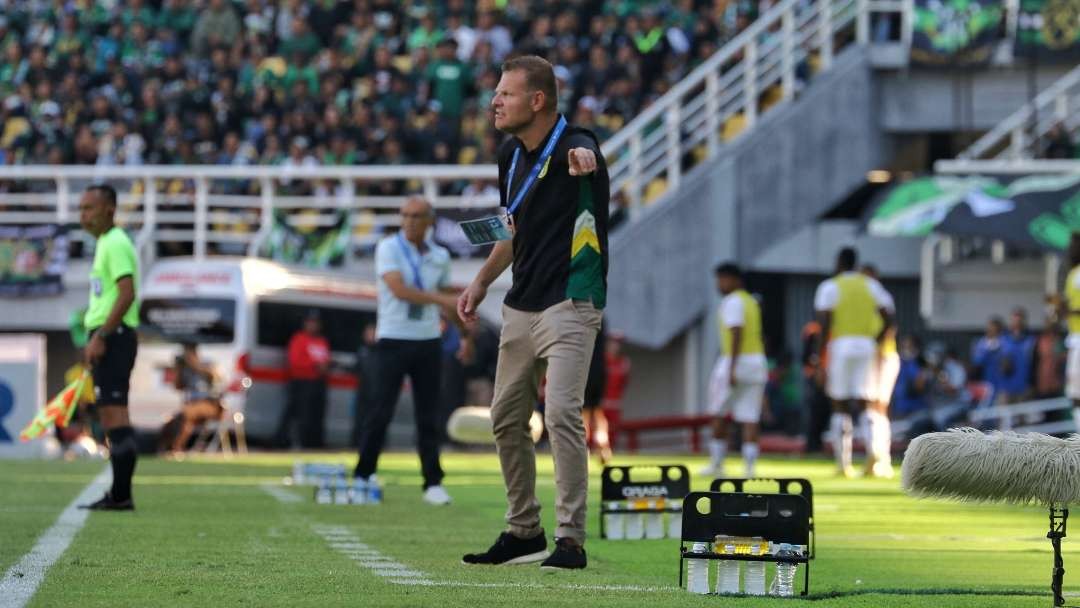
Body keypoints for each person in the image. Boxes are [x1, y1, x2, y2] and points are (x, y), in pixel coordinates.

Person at [458, 55, 607, 570]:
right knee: (504, 418)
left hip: (571, 300)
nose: (494, 101)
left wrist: (586, 158)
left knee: (563, 413)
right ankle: (524, 531)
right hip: (521, 304)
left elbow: (585, 148)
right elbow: (510, 228)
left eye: (506, 93)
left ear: (537, 100)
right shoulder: (509, 155)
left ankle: (571, 540)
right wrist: (479, 282)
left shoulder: (574, 145)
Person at [353, 196, 460, 506]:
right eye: (405, 215)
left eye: (416, 216)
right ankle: (364, 474)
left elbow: (445, 296)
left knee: (428, 414)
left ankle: (433, 483)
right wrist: (444, 302)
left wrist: (463, 332)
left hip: (427, 340)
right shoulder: (388, 247)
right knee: (379, 410)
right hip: (393, 339)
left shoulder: (440, 255)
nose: (409, 221)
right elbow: (399, 290)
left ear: (430, 221)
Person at [77, 184, 140, 511]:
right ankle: (119, 494)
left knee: (115, 415)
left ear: (110, 210)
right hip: (110, 336)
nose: (83, 215)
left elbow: (126, 293)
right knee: (111, 415)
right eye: (81, 208)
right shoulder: (106, 242)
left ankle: (120, 495)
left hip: (114, 338)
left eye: (90, 208)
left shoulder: (115, 243)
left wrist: (101, 335)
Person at [814, 247, 894, 478]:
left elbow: (824, 324)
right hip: (866, 345)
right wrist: (875, 341)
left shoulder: (830, 286)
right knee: (868, 401)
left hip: (841, 345)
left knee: (840, 402)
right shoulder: (871, 285)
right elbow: (889, 318)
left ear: (839, 262)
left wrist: (819, 358)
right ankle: (873, 454)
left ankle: (843, 462)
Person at [700, 263, 767, 478]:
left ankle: (717, 463)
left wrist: (732, 367)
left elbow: (736, 332)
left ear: (734, 279)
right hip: (756, 361)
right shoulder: (751, 301)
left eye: (722, 279)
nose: (720, 284)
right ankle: (749, 468)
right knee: (750, 416)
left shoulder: (733, 301)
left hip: (734, 361)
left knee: (718, 412)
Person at [860, 264, 897, 478]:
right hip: (886, 354)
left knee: (873, 404)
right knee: (880, 407)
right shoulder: (882, 297)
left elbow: (889, 325)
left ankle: (876, 454)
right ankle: (882, 457)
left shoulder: (877, 297)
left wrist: (877, 348)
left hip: (880, 355)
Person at [275, 311, 330, 449]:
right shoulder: (298, 339)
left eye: (315, 323)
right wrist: (314, 365)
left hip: (318, 382)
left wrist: (325, 366)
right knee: (300, 414)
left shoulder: (321, 341)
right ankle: (292, 442)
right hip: (301, 382)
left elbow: (326, 359)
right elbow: (294, 361)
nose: (313, 325)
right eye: (310, 322)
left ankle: (313, 443)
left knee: (315, 414)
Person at [168, 343, 223, 454]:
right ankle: (174, 448)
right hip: (191, 406)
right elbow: (177, 387)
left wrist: (195, 366)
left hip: (211, 404)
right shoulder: (185, 369)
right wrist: (178, 370)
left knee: (186, 414)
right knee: (181, 420)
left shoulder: (207, 363)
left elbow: (216, 376)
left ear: (195, 353)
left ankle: (176, 448)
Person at [583, 324, 612, 464]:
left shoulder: (580, 317)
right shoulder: (600, 318)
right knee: (598, 413)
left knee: (584, 414)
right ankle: (603, 447)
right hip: (600, 371)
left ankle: (584, 450)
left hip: (585, 371)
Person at [1060, 234, 1080, 420]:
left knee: (1076, 394)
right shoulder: (1073, 274)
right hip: (1074, 337)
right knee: (1073, 394)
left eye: (1074, 246)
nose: (1070, 250)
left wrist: (1069, 311)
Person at [999, 308, 1035, 405]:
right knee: (1005, 417)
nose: (1017, 323)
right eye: (1015, 320)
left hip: (1025, 387)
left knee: (1024, 418)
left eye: (1020, 320)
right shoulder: (1003, 338)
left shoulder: (1031, 339)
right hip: (1006, 387)